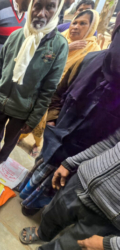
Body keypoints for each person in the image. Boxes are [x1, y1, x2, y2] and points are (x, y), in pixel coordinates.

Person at [18, 13, 120, 216]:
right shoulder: (90, 60)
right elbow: (59, 93)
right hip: (56, 140)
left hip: (81, 160)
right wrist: (54, 120)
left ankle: (33, 208)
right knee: (36, 174)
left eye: (83, 23)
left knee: (50, 192)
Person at [0, 0, 68, 169]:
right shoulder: (17, 35)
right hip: (0, 98)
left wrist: (34, 117)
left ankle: (2, 156)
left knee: (12, 136)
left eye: (49, 7)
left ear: (57, 11)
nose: (41, 13)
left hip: (24, 107)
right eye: (37, 6)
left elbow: (49, 89)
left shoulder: (58, 46)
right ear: (31, 7)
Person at [20, 128, 120, 250]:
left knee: (66, 247)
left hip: (109, 216)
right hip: (81, 181)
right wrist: (71, 162)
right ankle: (42, 233)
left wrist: (112, 244)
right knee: (51, 215)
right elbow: (110, 143)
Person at [18, 9, 100, 157]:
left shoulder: (93, 51)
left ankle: (38, 144)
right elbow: (41, 59)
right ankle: (20, 136)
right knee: (29, 116)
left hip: (61, 98)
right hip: (41, 88)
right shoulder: (60, 39)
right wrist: (66, 49)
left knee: (46, 124)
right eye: (74, 22)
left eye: (83, 24)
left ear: (92, 27)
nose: (75, 26)